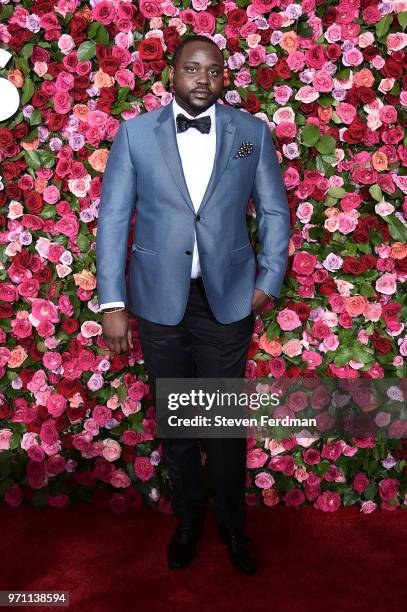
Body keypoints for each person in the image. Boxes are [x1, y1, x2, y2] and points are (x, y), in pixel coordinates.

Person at [96, 34, 290, 575]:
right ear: (171, 73)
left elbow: (273, 210)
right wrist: (112, 301)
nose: (202, 80)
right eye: (191, 69)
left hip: (228, 298)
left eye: (213, 71)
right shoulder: (135, 135)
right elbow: (113, 218)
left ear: (225, 78)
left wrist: (269, 278)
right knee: (176, 416)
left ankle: (233, 523)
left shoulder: (250, 135)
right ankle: (188, 517)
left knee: (224, 419)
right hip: (159, 301)